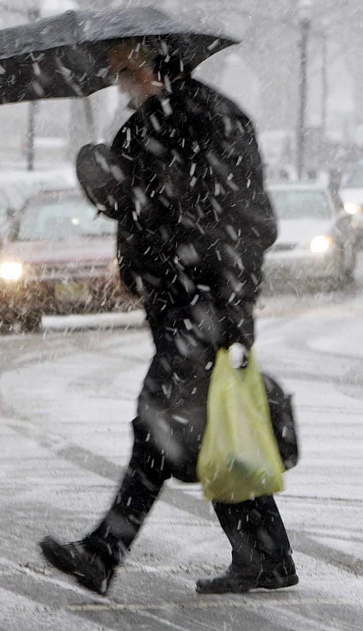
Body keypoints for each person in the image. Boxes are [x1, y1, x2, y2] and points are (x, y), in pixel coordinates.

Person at [39, 39, 298, 594]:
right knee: (210, 429)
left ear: (151, 61)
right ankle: (267, 556)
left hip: (204, 306)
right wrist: (100, 175)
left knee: (154, 426)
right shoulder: (140, 127)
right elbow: (128, 202)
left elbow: (254, 224)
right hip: (173, 303)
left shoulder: (215, 120)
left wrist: (230, 308)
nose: (114, 77)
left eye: (122, 66)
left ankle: (103, 552)